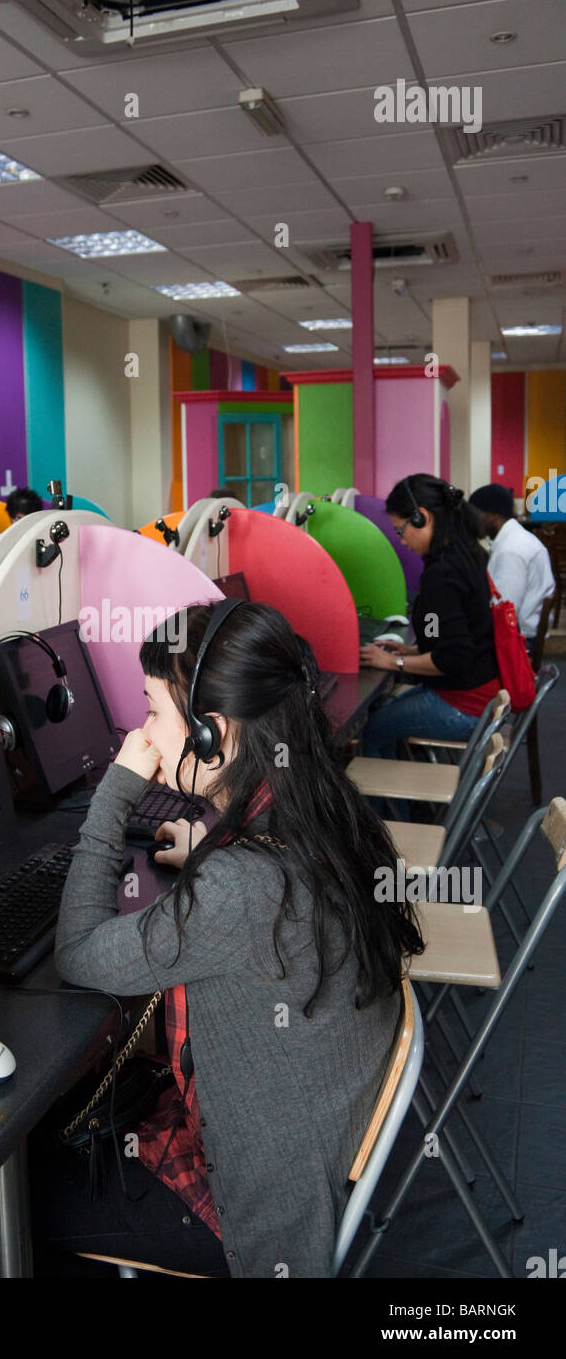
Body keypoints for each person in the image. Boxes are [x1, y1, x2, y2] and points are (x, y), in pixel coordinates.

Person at [33, 600, 423, 1278]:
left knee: (21, 1189)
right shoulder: (320, 806)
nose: (144, 733)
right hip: (303, 1143)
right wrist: (211, 845)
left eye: (153, 713)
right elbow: (253, 898)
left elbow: (79, 952)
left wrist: (119, 789)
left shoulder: (241, 887)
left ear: (212, 737)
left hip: (256, 1217)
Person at [359, 475, 501, 759]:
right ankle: (406, 799)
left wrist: (394, 662)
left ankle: (389, 803)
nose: (402, 541)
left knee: (370, 730)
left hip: (463, 704)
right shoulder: (467, 553)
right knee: (386, 714)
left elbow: (453, 657)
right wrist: (412, 650)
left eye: (401, 531)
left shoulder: (442, 574)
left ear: (422, 518)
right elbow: (455, 631)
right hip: (483, 693)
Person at [469, 483, 555, 653]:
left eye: (476, 514)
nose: (473, 521)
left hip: (519, 640)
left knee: (451, 654)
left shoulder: (511, 549)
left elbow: (504, 608)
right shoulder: (514, 539)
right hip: (522, 632)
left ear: (493, 515)